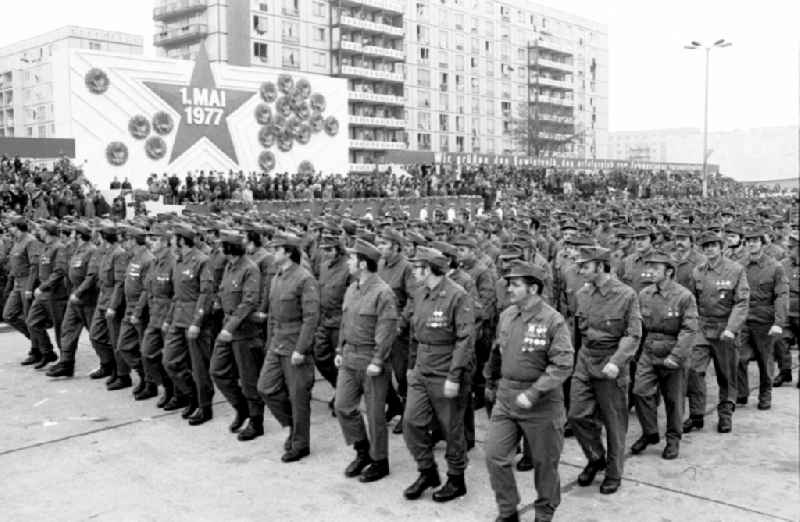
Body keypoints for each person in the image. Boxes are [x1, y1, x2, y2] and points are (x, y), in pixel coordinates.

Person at [484, 261, 574, 522]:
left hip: (542, 403)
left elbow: (563, 364)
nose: (509, 288)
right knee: (495, 456)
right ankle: (508, 510)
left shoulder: (552, 320)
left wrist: (534, 392)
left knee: (545, 465)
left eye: (515, 284)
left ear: (533, 288)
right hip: (507, 397)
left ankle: (544, 513)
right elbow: (497, 350)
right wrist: (491, 381)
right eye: (509, 284)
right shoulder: (508, 315)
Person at [402, 246, 475, 503]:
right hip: (422, 367)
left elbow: (465, 339)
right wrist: (411, 366)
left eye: (417, 267)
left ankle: (456, 478)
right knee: (411, 422)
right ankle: (427, 471)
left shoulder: (457, 296)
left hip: (446, 370)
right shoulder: (419, 294)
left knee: (451, 427)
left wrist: (454, 377)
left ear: (429, 268)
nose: (413, 271)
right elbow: (415, 333)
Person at [568, 246, 641, 494]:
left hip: (612, 361)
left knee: (614, 423)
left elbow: (633, 334)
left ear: (600, 266)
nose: (580, 271)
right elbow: (579, 331)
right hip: (585, 359)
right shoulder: (583, 293)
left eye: (585, 266)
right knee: (577, 415)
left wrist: (617, 361)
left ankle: (614, 472)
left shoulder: (626, 295)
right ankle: (596, 456)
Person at [333, 239, 398, 482]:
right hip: (350, 357)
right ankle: (362, 450)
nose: (348, 262)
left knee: (374, 415)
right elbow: (345, 322)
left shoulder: (383, 293)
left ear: (362, 264)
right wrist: (340, 349)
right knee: (342, 406)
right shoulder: (352, 288)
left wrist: (378, 360)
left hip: (371, 360)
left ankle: (379, 461)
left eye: (351, 259)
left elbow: (387, 329)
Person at [257, 233, 320, 462]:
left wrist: (301, 349)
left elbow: (311, 318)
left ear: (288, 252)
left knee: (298, 397)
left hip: (295, 344)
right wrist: (270, 342)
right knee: (265, 388)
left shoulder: (304, 279)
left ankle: (301, 443)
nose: (274, 253)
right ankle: (293, 424)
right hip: (278, 341)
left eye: (277, 249)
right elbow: (273, 314)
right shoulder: (277, 277)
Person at [631, 251, 698, 460]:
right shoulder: (644, 295)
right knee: (640, 391)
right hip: (649, 350)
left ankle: (673, 439)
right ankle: (650, 432)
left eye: (655, 268)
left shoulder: (684, 296)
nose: (649, 272)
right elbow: (638, 325)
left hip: (673, 350)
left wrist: (676, 356)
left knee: (674, 400)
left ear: (669, 272)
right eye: (648, 267)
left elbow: (689, 330)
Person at [683, 231, 749, 434]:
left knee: (726, 375)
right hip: (703, 328)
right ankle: (696, 415)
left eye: (713, 245)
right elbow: (692, 300)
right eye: (706, 246)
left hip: (725, 329)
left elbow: (741, 302)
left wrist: (731, 329)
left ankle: (725, 415)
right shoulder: (698, 271)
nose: (710, 249)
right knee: (693, 370)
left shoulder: (735, 270)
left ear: (721, 247)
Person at [210, 230, 264, 440]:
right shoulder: (229, 267)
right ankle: (241, 407)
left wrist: (229, 327)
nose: (219, 249)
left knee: (249, 378)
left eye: (222, 245)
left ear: (229, 248)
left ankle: (256, 421)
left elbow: (249, 302)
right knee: (217, 370)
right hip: (228, 327)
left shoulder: (250, 269)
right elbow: (225, 292)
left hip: (243, 331)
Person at [163, 224, 215, 425]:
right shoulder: (179, 261)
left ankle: (204, 406)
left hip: (195, 322)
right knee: (170, 361)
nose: (171, 242)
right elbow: (177, 295)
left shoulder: (202, 261)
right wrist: (169, 319)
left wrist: (197, 322)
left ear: (182, 240)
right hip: (178, 317)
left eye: (174, 238)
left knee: (199, 367)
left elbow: (206, 294)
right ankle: (191, 394)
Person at [735, 228, 788, 410]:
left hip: (764, 322)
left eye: (755, 240)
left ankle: (765, 394)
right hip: (743, 320)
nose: (751, 244)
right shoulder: (739, 265)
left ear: (763, 244)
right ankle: (741, 393)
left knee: (765, 361)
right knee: (739, 358)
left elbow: (782, 295)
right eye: (748, 241)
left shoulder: (775, 267)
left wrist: (779, 322)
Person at [377, 228, 417, 433]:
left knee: (402, 375)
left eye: (384, 244)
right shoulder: (381, 265)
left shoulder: (406, 268)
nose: (380, 248)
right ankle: (394, 405)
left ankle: (408, 415)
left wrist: (402, 322)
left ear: (395, 247)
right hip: (381, 326)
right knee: (380, 370)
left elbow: (413, 298)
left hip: (399, 329)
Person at [47, 222, 97, 377]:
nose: (72, 235)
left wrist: (79, 293)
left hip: (87, 298)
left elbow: (91, 277)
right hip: (74, 296)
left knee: (96, 335)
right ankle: (66, 364)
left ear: (80, 235)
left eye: (75, 233)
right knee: (67, 330)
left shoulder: (91, 251)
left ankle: (111, 364)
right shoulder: (78, 250)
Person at [115, 227, 156, 398]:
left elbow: (146, 290)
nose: (125, 242)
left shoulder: (148, 259)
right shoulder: (134, 258)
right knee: (123, 346)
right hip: (130, 307)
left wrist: (138, 312)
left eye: (127, 239)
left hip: (140, 309)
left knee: (142, 348)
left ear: (133, 240)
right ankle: (143, 376)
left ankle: (150, 382)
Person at [314, 232, 350, 405]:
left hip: (340, 321)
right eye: (323, 249)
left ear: (338, 249)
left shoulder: (348, 267)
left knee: (340, 362)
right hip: (324, 319)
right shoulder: (324, 266)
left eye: (329, 249)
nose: (326, 253)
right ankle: (340, 388)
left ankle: (342, 397)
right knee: (319, 357)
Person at [27, 221, 68, 370]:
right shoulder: (46, 247)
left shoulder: (59, 247)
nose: (39, 232)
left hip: (55, 294)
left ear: (47, 231)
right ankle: (47, 352)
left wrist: (43, 286)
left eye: (41, 230)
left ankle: (65, 361)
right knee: (32, 321)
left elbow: (59, 271)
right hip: (43, 293)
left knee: (60, 328)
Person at [3, 218, 40, 365]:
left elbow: (34, 266)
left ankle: (37, 349)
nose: (8, 229)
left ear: (17, 227)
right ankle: (36, 340)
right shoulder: (17, 241)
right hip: (17, 282)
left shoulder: (30, 241)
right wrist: (10, 284)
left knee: (30, 317)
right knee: (8, 315)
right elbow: (14, 264)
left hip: (26, 282)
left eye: (10, 226)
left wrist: (30, 287)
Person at [773, 235, 799, 387]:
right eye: (788, 247)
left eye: (792, 247)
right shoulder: (782, 265)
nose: (788, 250)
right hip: (787, 311)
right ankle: (784, 371)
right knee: (780, 341)